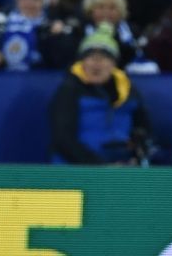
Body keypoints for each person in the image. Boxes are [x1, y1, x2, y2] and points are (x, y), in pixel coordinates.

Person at [49, 21, 151, 164]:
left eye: (104, 57)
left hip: (121, 168)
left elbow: (144, 128)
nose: (96, 63)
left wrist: (138, 145)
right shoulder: (69, 89)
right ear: (82, 62)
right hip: (76, 169)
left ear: (114, 63)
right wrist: (101, 167)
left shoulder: (128, 90)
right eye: (90, 57)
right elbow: (63, 139)